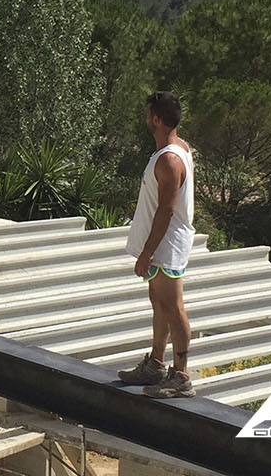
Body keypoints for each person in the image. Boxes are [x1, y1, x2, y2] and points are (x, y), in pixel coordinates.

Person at [117, 91, 196, 398]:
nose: (146, 119)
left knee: (173, 307)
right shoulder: (176, 148)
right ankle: (155, 364)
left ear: (157, 119)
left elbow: (166, 210)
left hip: (166, 246)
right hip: (162, 244)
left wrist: (147, 253)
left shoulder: (170, 160)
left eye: (149, 114)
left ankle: (181, 376)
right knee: (159, 302)